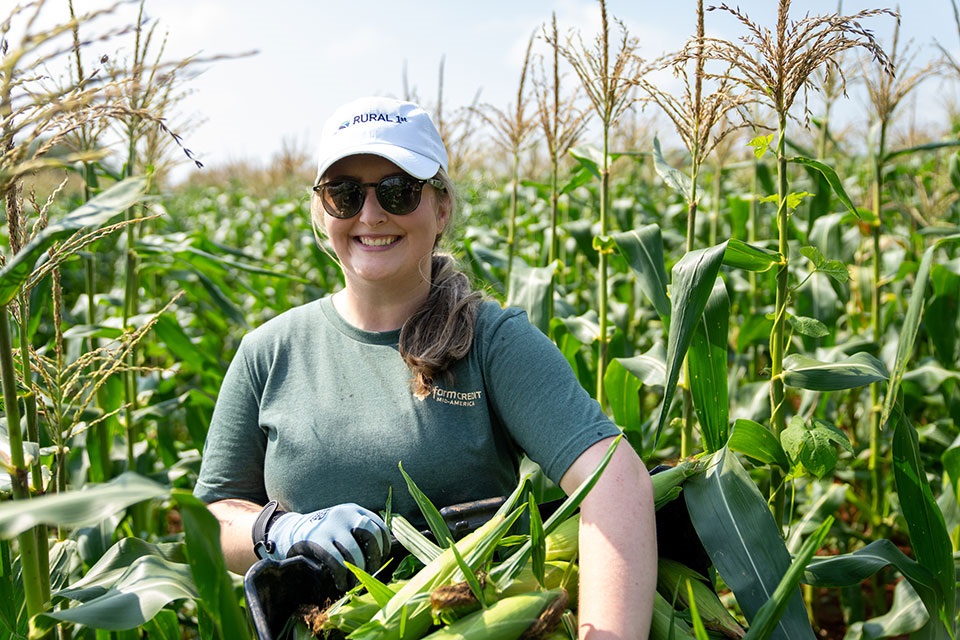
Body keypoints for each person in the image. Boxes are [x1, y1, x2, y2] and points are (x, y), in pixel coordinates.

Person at [194, 96, 656, 639]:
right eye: (344, 194)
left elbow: (614, 479)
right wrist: (281, 529)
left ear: (441, 208)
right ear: (322, 210)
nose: (370, 214)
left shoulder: (491, 341)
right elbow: (213, 514)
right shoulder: (269, 351)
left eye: (398, 190)